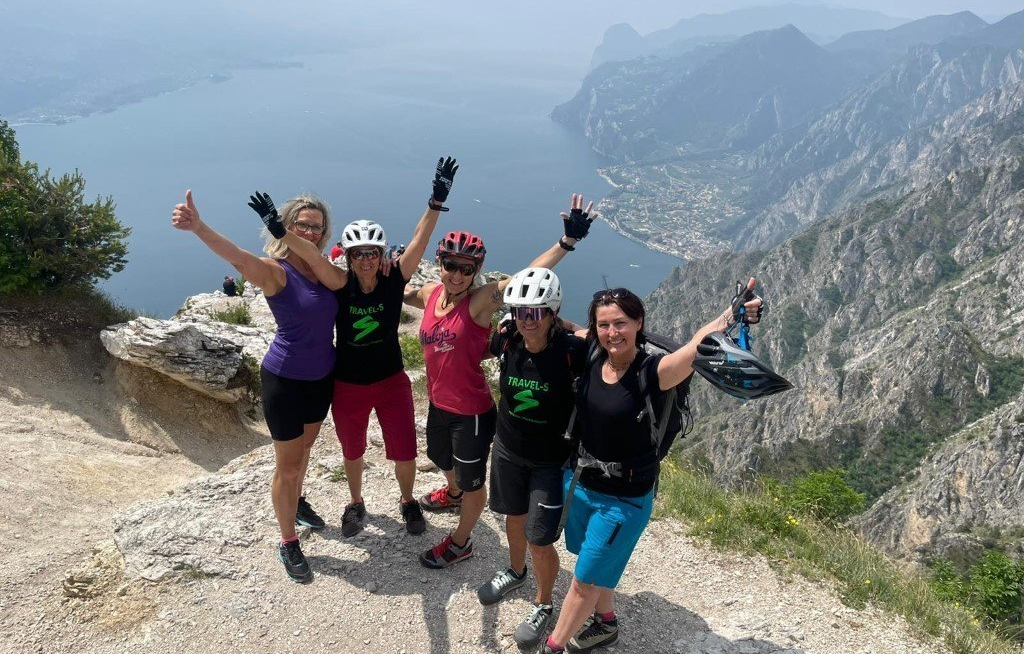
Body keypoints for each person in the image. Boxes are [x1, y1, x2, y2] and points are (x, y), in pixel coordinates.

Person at [538, 281, 764, 653]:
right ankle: (606, 622)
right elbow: (562, 326)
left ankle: (554, 646)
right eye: (604, 324)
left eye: (621, 323)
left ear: (638, 322)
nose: (613, 332)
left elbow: (698, 344)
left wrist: (733, 312)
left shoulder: (655, 372)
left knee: (583, 582)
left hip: (624, 500)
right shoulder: (593, 352)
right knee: (592, 564)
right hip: (580, 485)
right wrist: (528, 311)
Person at [405, 193, 596, 570]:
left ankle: (461, 542)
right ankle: (453, 492)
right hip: (438, 403)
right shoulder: (430, 294)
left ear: (476, 270)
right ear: (440, 264)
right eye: (450, 265)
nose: (457, 274)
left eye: (466, 268)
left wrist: (566, 242)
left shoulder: (478, 302)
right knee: (439, 457)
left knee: (473, 481)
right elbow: (400, 289)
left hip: (471, 412)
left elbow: (526, 277)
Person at [279, 156, 459, 537]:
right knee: (353, 450)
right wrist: (278, 230)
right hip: (348, 384)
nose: (365, 260)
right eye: (358, 253)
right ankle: (356, 502)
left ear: (381, 255)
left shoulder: (394, 280)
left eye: (372, 252)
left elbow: (420, 240)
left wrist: (436, 201)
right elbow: (310, 254)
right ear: (348, 256)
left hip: (391, 380)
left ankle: (407, 501)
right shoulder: (339, 284)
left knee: (405, 449)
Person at [172, 189, 337, 584]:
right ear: (286, 227)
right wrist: (199, 227)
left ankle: (296, 502)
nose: (310, 232)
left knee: (306, 450)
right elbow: (238, 258)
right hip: (285, 380)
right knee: (288, 464)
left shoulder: (325, 270)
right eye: (302, 225)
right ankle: (288, 541)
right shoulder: (276, 271)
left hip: (322, 378)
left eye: (316, 227)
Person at [476, 267, 587, 649]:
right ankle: (515, 570)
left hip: (550, 462)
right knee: (513, 517)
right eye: (521, 311)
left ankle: (543, 603)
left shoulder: (572, 351)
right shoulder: (508, 339)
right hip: (508, 449)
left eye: (537, 312)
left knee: (540, 540)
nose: (528, 320)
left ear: (553, 313)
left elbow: (613, 344)